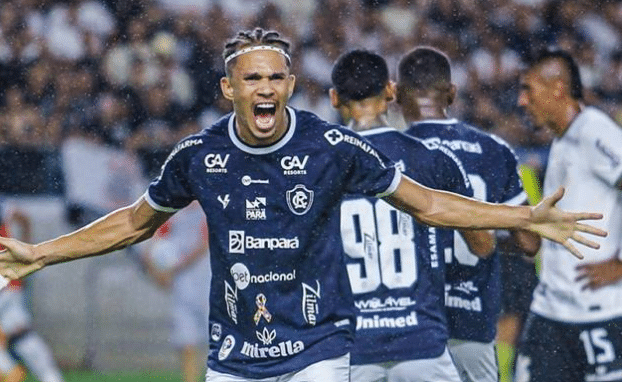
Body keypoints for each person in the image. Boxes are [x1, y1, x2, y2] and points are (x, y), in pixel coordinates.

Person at [0, 28, 606, 381]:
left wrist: (524, 217)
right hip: (234, 355)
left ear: (290, 85)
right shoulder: (198, 156)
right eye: (252, 79)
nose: (265, 88)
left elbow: (429, 205)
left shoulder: (331, 147)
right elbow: (134, 223)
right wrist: (41, 254)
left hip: (318, 350)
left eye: (275, 78)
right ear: (229, 89)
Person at [330, 49, 494, 381]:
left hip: (352, 347)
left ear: (334, 98)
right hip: (420, 341)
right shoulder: (431, 159)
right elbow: (482, 245)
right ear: (390, 91)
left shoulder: (321, 166)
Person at [400, 46, 542, 382]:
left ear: (397, 94)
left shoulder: (390, 152)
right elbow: (529, 243)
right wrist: (488, 234)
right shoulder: (494, 150)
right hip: (473, 319)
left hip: (410, 323)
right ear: (451, 92)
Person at [514, 48, 622, 382]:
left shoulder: (594, 131)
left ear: (557, 88)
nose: (521, 101)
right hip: (551, 312)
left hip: (599, 315)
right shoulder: (563, 140)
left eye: (528, 89)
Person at [140, 201, 211, 382]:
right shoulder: (175, 211)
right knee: (186, 342)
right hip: (182, 287)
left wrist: (174, 268)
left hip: (207, 284)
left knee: (215, 343)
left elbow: (205, 244)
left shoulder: (208, 207)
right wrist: (155, 270)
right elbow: (154, 241)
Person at [0, 205, 65, 382]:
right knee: (23, 338)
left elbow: (22, 217)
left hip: (5, 284)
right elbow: (22, 217)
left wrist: (27, 253)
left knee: (22, 337)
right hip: (7, 283)